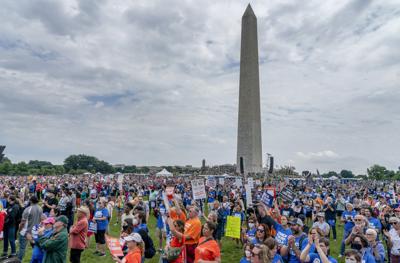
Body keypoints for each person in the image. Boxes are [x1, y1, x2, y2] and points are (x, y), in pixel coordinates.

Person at [18, 195, 43, 261]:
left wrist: (19, 229)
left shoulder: (28, 209)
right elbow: (41, 219)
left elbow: (22, 222)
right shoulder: (40, 208)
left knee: (22, 248)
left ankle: (19, 260)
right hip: (35, 231)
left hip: (26, 232)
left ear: (31, 201)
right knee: (35, 247)